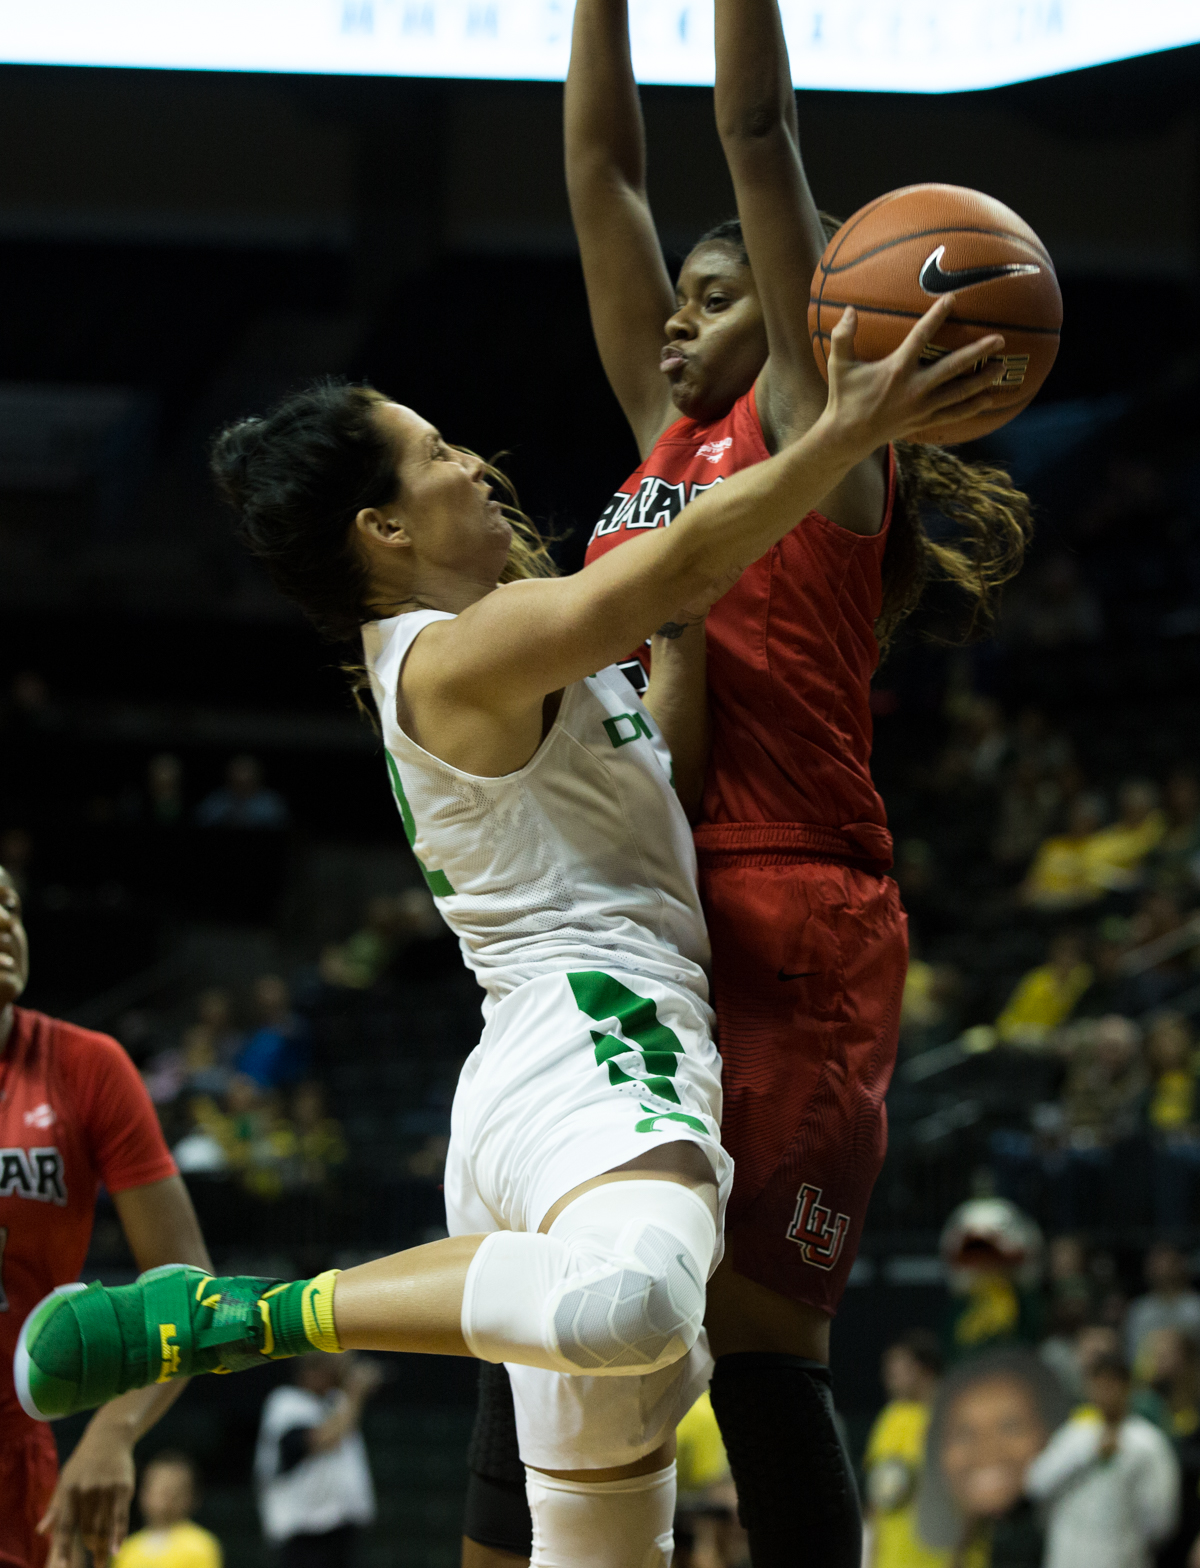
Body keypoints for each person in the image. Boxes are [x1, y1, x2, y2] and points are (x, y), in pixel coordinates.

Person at [15, 283, 1003, 1568]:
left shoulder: (522, 652)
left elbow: (666, 745)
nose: (472, 461)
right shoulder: (447, 653)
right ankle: (239, 1315)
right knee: (637, 1302)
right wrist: (839, 432)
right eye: (433, 453)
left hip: (540, 1072)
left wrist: (684, 656)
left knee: (597, 1548)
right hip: (606, 1038)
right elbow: (688, 554)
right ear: (381, 525)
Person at [490, 2, 1030, 1565]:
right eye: (682, 295)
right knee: (557, 1288)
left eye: (718, 295)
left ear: (798, 315)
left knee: (758, 1352)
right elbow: (602, 171)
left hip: (798, 905)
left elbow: (754, 135)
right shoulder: (661, 434)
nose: (678, 315)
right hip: (647, 914)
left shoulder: (815, 423)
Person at [0, 865, 214, 1568]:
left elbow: (187, 1286)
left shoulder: (85, 1066)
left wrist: (114, 1431)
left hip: (15, 1469)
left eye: (11, 907)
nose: (5, 921)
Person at [916, 1350, 1068, 1568]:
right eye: (964, 1433)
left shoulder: (1057, 1524)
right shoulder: (970, 1528)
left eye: (1010, 1427)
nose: (987, 1449)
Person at [1025, 1354, 1178, 1568]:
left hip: (1123, 1558)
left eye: (1113, 1384)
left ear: (1128, 1388)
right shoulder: (1075, 1435)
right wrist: (1089, 1452)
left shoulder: (1148, 1443)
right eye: (1100, 1385)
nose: (1106, 1393)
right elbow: (1036, 1483)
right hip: (1067, 1557)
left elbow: (1160, 1519)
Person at [255, 1354, 381, 1566]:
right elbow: (324, 1439)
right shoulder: (286, 1402)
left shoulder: (336, 1401)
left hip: (341, 1527)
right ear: (310, 1372)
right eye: (330, 1369)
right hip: (305, 1533)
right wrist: (355, 1393)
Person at [862, 1331, 946, 1568]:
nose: (889, 1378)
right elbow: (877, 1496)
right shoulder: (891, 1417)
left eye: (898, 1369)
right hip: (894, 1559)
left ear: (925, 1370)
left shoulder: (957, 1420)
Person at [112, 1452, 221, 1568]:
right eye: (157, 1489)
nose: (164, 1499)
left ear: (190, 1497)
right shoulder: (128, 1548)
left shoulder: (200, 1545)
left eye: (172, 1491)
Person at [1126, 1246, 1200, 1365]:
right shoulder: (1140, 1309)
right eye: (1158, 1266)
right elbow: (1131, 1353)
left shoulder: (1195, 1306)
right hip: (1148, 1373)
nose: (1163, 1270)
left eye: (1169, 1265)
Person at [195, 755, 289, 830]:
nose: (241, 787)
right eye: (237, 783)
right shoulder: (215, 800)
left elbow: (281, 824)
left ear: (257, 779)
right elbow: (200, 820)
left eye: (247, 783)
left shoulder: (271, 801)